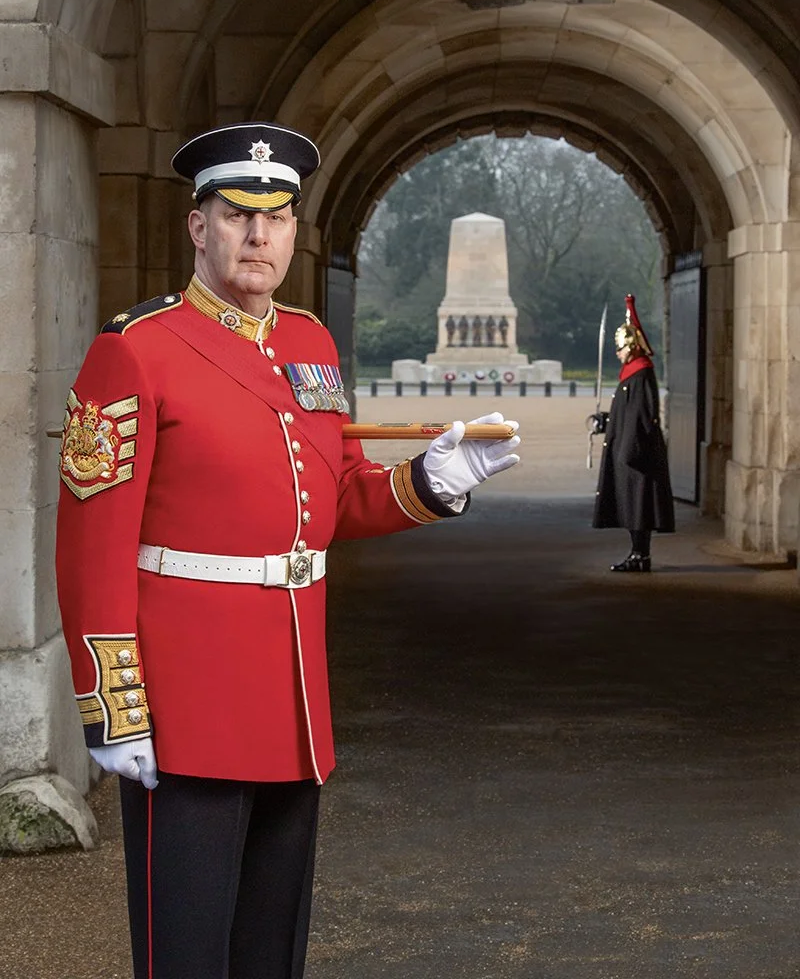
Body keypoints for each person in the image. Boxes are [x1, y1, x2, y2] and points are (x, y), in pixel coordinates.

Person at [55, 122, 521, 979]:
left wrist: (433, 480)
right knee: (188, 951)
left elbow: (332, 500)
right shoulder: (137, 350)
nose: (258, 236)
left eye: (275, 219)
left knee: (272, 950)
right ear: (198, 227)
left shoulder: (309, 343)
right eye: (238, 216)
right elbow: (94, 544)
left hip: (293, 695)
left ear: (294, 231)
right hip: (187, 700)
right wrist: (112, 705)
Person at [592, 293, 674, 572]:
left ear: (631, 347)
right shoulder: (631, 374)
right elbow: (626, 413)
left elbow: (641, 416)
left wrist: (629, 450)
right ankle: (637, 552)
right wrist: (607, 421)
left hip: (636, 450)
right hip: (627, 446)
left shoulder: (640, 374)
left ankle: (641, 555)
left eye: (621, 348)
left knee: (639, 506)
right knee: (630, 505)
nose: (618, 353)